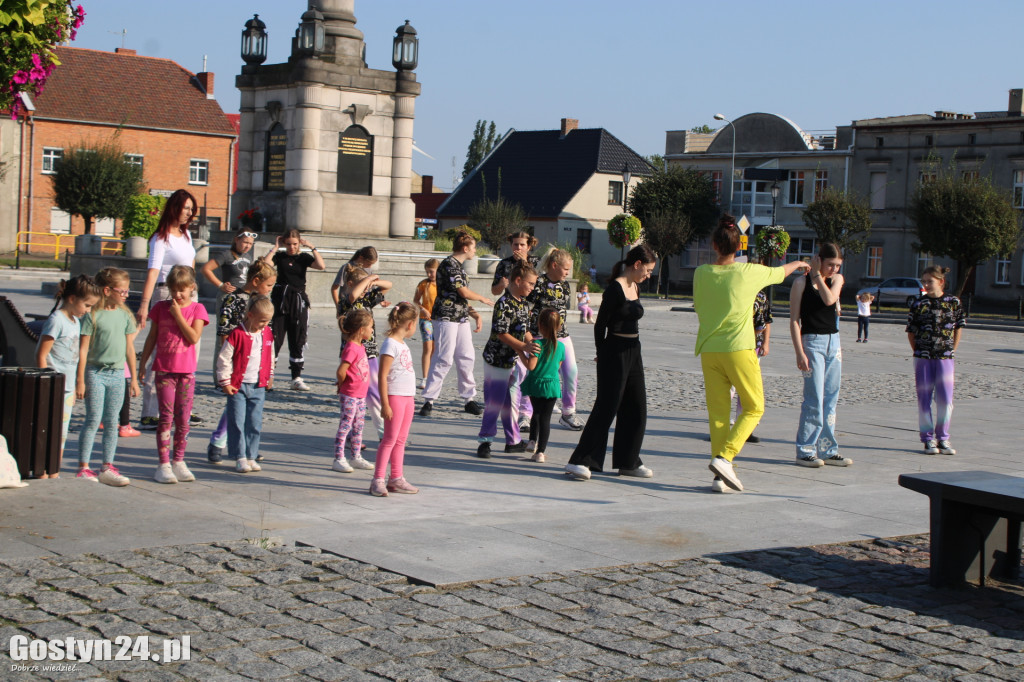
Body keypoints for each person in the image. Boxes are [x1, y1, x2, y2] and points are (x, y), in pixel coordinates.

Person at [694, 216, 810, 492]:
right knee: (754, 406)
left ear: (714, 245)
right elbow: (781, 272)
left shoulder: (701, 273)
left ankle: (719, 474)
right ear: (739, 247)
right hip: (738, 348)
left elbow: (699, 305)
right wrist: (801, 263)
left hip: (709, 350)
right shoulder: (748, 272)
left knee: (719, 414)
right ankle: (725, 457)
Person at [565, 245, 657, 481]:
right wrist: (601, 352)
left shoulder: (635, 285)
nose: (648, 276)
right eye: (647, 270)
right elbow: (600, 325)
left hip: (634, 350)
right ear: (636, 264)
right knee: (607, 406)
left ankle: (628, 460)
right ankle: (581, 460)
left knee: (636, 406)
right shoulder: (615, 289)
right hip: (614, 351)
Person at [140, 265, 210, 484]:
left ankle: (179, 460)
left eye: (182, 290)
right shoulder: (160, 308)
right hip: (164, 370)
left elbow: (193, 337)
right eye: (174, 290)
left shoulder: (197, 309)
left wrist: (178, 314)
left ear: (192, 288)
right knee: (166, 418)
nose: (178, 295)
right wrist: (142, 364)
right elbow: (151, 337)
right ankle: (163, 464)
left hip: (186, 372)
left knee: (183, 419)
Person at [136, 189, 198, 430]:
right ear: (174, 207)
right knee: (161, 352)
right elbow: (153, 271)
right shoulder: (161, 238)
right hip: (166, 293)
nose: (189, 213)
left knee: (187, 350)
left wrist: (194, 297)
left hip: (189, 294)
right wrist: (144, 304)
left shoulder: (186, 236)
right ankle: (151, 411)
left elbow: (191, 268)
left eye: (192, 209)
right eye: (185, 208)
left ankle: (182, 408)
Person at [207, 261, 277, 463]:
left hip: (256, 362)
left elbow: (265, 332)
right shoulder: (234, 299)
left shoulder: (261, 301)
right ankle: (219, 442)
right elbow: (224, 332)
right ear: (255, 281)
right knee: (235, 410)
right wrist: (229, 365)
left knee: (245, 413)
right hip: (236, 362)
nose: (270, 290)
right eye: (268, 285)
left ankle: (246, 450)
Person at [76, 267, 139, 486]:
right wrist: (80, 379)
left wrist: (134, 379)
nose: (126, 295)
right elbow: (83, 349)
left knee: (112, 422)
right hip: (95, 372)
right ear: (107, 290)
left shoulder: (124, 315)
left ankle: (107, 465)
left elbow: (129, 349)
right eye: (122, 291)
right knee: (94, 419)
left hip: (117, 374)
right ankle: (84, 466)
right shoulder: (92, 315)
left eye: (127, 291)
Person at [420, 231, 493, 417]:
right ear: (465, 248)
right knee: (443, 357)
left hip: (460, 317)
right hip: (445, 317)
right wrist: (483, 299)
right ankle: (429, 400)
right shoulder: (449, 265)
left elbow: (460, 300)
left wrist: (474, 314)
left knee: (466, 356)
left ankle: (469, 399)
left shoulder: (459, 266)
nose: (475, 250)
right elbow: (464, 293)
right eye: (474, 247)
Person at [791, 243, 851, 468]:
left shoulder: (837, 280)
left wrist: (818, 275)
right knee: (814, 398)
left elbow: (829, 299)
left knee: (831, 398)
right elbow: (795, 320)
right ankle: (805, 450)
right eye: (830, 265)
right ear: (819, 260)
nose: (834, 269)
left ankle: (827, 449)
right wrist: (799, 352)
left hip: (833, 343)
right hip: (811, 342)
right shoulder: (800, 283)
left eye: (837, 265)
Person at [36, 275, 102, 477]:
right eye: (87, 305)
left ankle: (54, 469)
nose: (88, 310)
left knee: (61, 432)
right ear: (72, 299)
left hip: (67, 388)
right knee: (46, 429)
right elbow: (41, 354)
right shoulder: (57, 320)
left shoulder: (75, 321)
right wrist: (45, 383)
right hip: (52, 386)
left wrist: (76, 384)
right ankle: (41, 469)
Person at [477, 262, 538, 458]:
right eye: (530, 283)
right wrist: (524, 347)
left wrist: (535, 346)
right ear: (518, 281)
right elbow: (501, 333)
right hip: (496, 360)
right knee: (494, 403)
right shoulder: (503, 303)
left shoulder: (522, 303)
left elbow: (525, 330)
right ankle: (485, 441)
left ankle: (513, 441)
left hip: (511, 361)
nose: (532, 288)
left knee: (510, 402)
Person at [519, 247, 583, 431]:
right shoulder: (538, 284)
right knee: (531, 373)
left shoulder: (565, 286)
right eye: (565, 269)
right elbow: (525, 309)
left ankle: (568, 412)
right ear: (554, 265)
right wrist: (528, 336)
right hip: (538, 336)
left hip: (561, 336)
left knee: (571, 372)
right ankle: (525, 414)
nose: (567, 272)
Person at [907, 265, 965, 456]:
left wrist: (952, 349)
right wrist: (919, 352)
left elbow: (958, 328)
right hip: (923, 357)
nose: (926, 285)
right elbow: (911, 332)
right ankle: (927, 439)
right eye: (924, 281)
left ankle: (943, 438)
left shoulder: (953, 302)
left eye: (929, 281)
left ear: (941, 282)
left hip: (945, 357)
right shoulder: (918, 304)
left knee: (946, 399)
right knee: (924, 399)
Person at [215, 295, 274, 473]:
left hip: (258, 385)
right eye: (262, 321)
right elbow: (224, 359)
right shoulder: (237, 334)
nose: (265, 324)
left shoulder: (267, 333)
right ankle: (239, 456)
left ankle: (251, 455)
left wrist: (270, 374)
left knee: (254, 423)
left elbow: (270, 356)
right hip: (238, 386)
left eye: (268, 321)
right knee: (237, 422)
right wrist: (225, 380)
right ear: (250, 315)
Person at [264, 229, 325, 391]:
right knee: (275, 337)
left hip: (297, 300)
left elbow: (321, 266)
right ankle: (268, 376)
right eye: (289, 244)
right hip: (280, 300)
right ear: (284, 243)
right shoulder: (280, 256)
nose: (291, 247)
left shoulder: (303, 258)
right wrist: (275, 247)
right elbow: (265, 264)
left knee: (297, 338)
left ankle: (296, 378)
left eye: (295, 244)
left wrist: (312, 247)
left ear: (299, 243)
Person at [338, 264, 393, 441]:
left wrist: (372, 281)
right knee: (353, 396)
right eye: (361, 285)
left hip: (369, 353)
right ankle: (351, 435)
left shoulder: (367, 298)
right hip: (352, 354)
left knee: (375, 392)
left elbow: (388, 285)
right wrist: (367, 280)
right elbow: (353, 294)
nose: (365, 290)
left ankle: (383, 431)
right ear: (351, 283)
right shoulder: (346, 300)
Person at [371, 303, 421, 496]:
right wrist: (385, 403)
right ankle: (377, 479)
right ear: (410, 324)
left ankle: (396, 478)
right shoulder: (390, 344)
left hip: (407, 397)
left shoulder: (401, 344)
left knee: (401, 439)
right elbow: (382, 375)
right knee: (389, 439)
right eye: (415, 323)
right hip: (395, 397)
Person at [519, 308, 565, 463]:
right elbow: (558, 365)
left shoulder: (537, 344)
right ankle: (540, 452)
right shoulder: (561, 347)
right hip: (551, 385)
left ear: (539, 325)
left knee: (536, 413)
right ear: (559, 326)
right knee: (546, 418)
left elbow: (531, 366)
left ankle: (532, 440)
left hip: (535, 383)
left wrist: (520, 352)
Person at [333, 309, 376, 474]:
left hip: (360, 394)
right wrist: (342, 385)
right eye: (370, 327)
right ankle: (339, 458)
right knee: (346, 425)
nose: (372, 330)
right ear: (361, 330)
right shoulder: (351, 348)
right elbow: (341, 370)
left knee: (358, 426)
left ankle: (356, 456)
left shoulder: (360, 346)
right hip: (350, 394)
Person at [413, 258, 439, 389]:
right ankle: (424, 377)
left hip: (439, 320)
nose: (429, 275)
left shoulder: (443, 284)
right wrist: (423, 308)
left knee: (436, 349)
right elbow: (416, 300)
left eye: (431, 272)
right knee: (427, 348)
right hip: (426, 319)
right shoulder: (423, 284)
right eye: (427, 272)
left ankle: (432, 376)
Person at [330, 245, 378, 311]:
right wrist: (338, 307)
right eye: (369, 263)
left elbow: (372, 290)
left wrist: (381, 301)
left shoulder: (368, 270)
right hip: (348, 306)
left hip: (363, 307)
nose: (370, 266)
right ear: (361, 258)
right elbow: (334, 288)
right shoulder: (346, 267)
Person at [491, 231, 538, 296]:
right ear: (511, 246)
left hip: (531, 302)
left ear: (528, 247)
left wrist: (524, 262)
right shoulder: (504, 263)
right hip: (512, 302)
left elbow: (540, 284)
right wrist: (501, 285)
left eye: (522, 245)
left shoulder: (536, 262)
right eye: (516, 244)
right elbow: (494, 292)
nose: (518, 248)